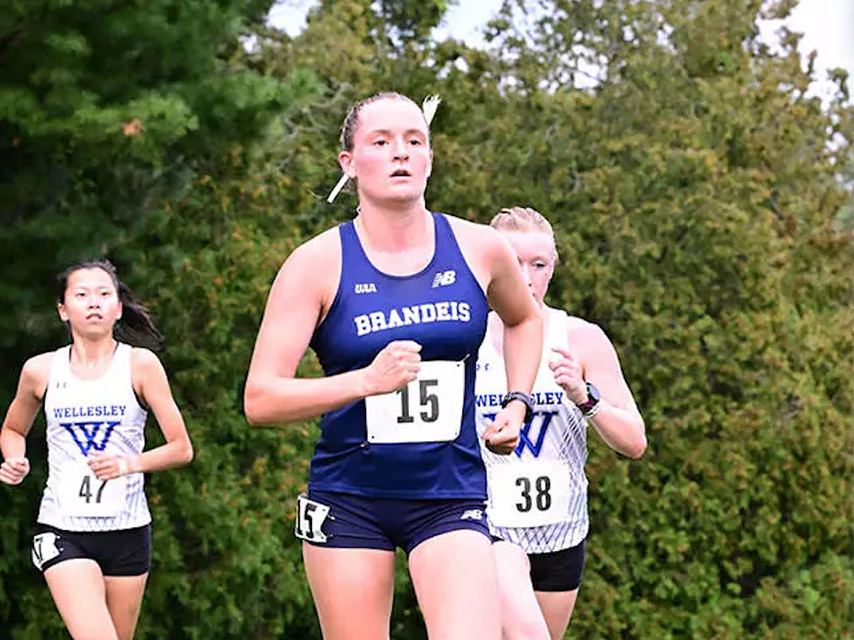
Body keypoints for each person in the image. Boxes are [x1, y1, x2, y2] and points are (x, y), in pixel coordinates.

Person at [243, 92, 546, 640]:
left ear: (430, 157)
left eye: (414, 141)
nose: (400, 153)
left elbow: (525, 321)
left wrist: (518, 402)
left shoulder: (480, 248)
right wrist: (366, 382)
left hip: (451, 494)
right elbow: (260, 399)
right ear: (350, 163)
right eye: (380, 142)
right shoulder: (315, 264)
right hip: (349, 497)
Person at [474, 207, 647, 640]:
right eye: (514, 263)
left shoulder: (581, 339)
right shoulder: (467, 338)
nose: (527, 277)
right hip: (488, 525)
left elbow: (635, 441)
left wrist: (585, 397)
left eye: (539, 264)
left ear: (553, 267)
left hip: (561, 531)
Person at [0, 260, 194, 640]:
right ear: (62, 310)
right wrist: (14, 458)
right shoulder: (40, 370)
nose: (94, 303)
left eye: (105, 294)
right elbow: (12, 429)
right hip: (63, 528)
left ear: (118, 308)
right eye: (82, 294)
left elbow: (181, 448)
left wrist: (126, 464)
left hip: (128, 531)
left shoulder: (140, 365)